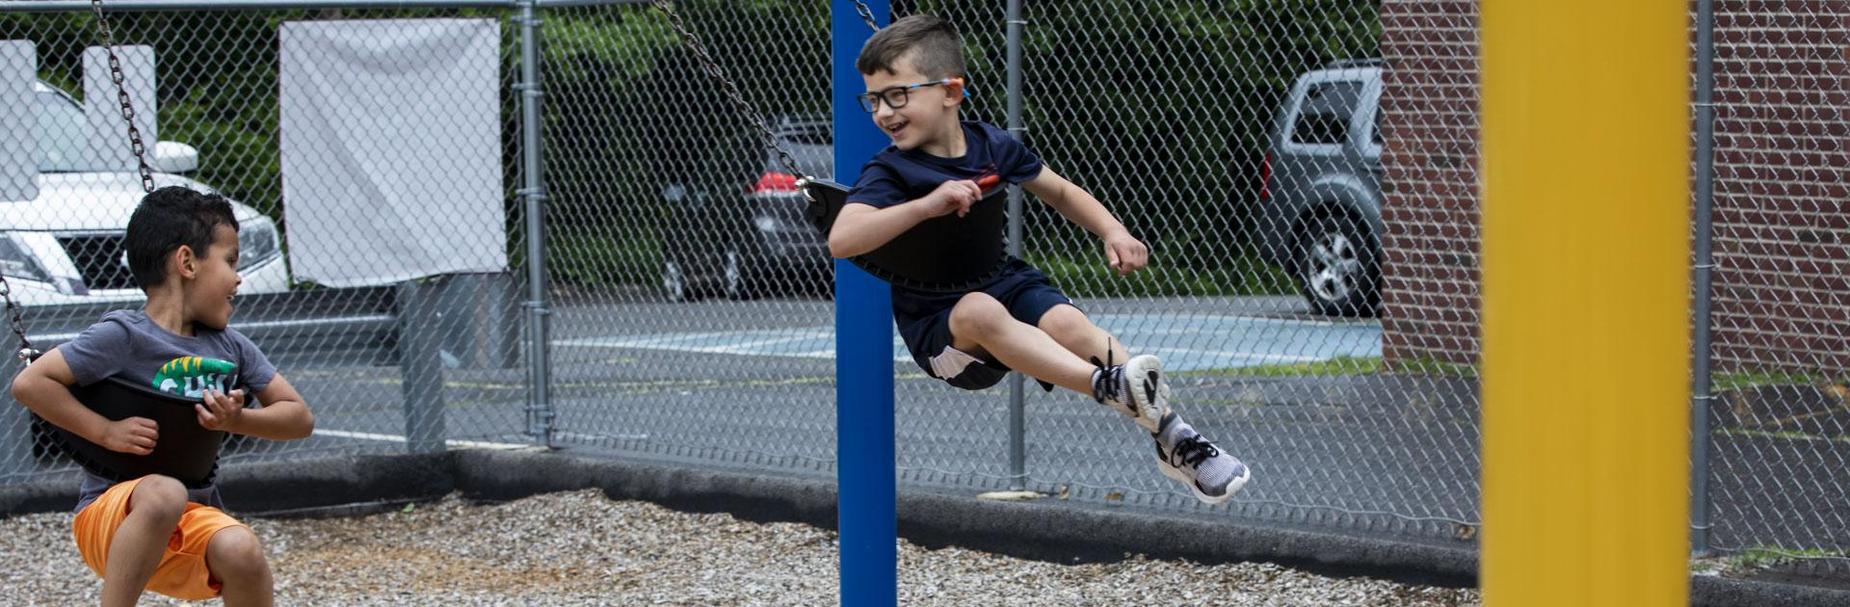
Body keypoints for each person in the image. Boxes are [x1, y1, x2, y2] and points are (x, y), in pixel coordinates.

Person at [831, 15, 1250, 504]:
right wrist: (927, 204)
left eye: (896, 95)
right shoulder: (891, 171)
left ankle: (1176, 438)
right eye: (874, 99)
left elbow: (1060, 192)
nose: (883, 112)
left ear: (950, 92)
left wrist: (1113, 230)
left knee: (1073, 327)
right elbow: (844, 239)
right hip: (943, 326)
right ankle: (1104, 385)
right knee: (979, 311)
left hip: (1003, 280)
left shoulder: (992, 145)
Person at [10, 186, 314, 606]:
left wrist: (237, 420)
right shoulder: (123, 336)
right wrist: (106, 431)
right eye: (230, 261)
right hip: (111, 515)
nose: (238, 277)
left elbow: (298, 417)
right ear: (187, 262)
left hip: (189, 518)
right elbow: (31, 384)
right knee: (164, 492)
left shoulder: (232, 348)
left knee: (241, 549)